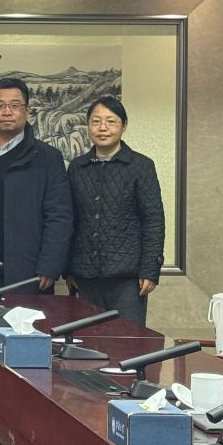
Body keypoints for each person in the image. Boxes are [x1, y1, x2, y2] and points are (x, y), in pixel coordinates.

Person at [0, 77, 73, 294]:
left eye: (15, 105)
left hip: (26, 274)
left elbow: (59, 216)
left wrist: (50, 265)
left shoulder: (47, 157)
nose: (7, 111)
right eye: (0, 105)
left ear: (26, 111)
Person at [65, 96, 164, 325]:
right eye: (96, 121)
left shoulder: (141, 166)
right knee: (87, 340)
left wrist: (150, 270)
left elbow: (153, 220)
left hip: (128, 279)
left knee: (126, 340)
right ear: (88, 125)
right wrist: (67, 269)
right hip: (85, 276)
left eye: (111, 121)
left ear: (124, 126)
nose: (103, 128)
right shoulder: (77, 167)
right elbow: (70, 220)